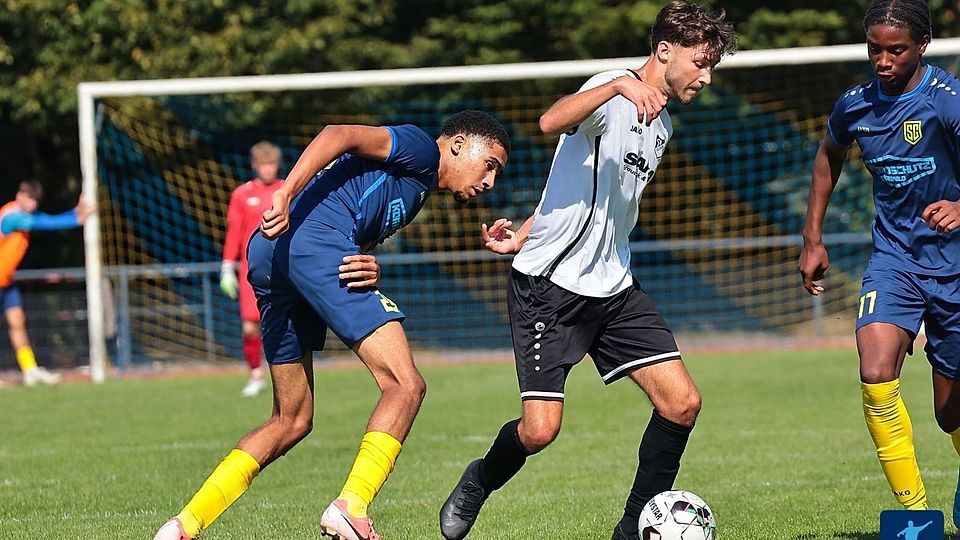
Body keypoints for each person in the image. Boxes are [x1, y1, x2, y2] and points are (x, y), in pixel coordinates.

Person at [438, 4, 735, 540]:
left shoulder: (661, 127)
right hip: (548, 290)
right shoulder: (609, 92)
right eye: (700, 62)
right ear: (665, 52)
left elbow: (574, 193)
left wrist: (523, 231)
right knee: (539, 431)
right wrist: (619, 85)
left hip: (615, 287)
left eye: (712, 66)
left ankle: (631, 530)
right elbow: (549, 122)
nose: (706, 77)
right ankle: (480, 479)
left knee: (683, 402)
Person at [153, 110, 510, 540]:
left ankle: (182, 526)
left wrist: (367, 260)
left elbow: (351, 216)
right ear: (456, 144)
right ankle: (351, 507)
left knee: (292, 419)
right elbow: (338, 134)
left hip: (272, 257)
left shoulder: (415, 187)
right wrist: (284, 193)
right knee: (405, 384)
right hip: (311, 245)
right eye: (489, 164)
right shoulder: (420, 149)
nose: (490, 181)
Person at [798, 0, 960, 525]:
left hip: (955, 267)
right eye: (875, 49)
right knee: (874, 371)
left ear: (922, 47)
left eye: (897, 50)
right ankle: (915, 519)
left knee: (950, 412)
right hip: (894, 261)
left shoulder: (948, 101)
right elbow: (829, 156)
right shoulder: (855, 104)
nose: (883, 61)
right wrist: (812, 237)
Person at [0, 180, 94, 386]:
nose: (33, 205)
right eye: (30, 199)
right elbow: (47, 224)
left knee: (17, 322)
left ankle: (30, 369)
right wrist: (77, 219)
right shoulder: (11, 217)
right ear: (20, 196)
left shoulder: (26, 215)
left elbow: (47, 219)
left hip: (5, 281)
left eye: (36, 201)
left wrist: (76, 211)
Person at [220, 141, 286, 396]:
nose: (268, 169)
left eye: (272, 164)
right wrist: (227, 266)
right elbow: (234, 232)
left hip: (283, 266)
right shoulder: (242, 194)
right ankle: (256, 375)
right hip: (250, 268)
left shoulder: (286, 190)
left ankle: (286, 373)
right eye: (263, 164)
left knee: (285, 322)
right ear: (255, 166)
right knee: (250, 326)